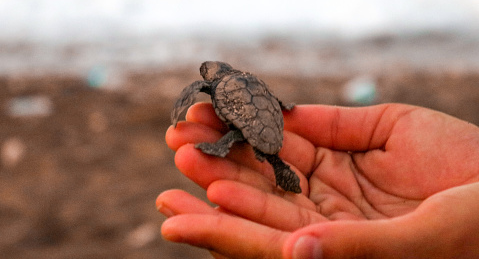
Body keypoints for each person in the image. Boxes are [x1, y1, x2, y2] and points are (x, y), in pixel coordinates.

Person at [157, 102, 479, 259]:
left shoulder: (218, 91)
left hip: (253, 126)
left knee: (238, 139)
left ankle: (223, 144)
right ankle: (226, 144)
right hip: (268, 122)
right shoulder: (241, 84)